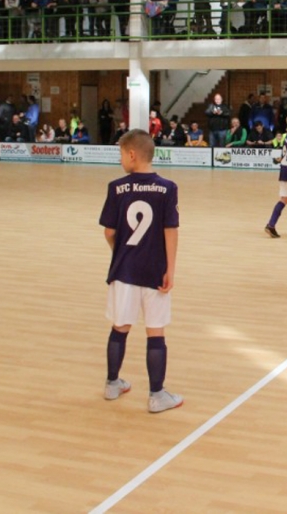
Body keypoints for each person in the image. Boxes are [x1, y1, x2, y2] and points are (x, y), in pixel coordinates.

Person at [99, 130, 182, 413]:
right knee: (155, 332)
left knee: (119, 327)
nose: (120, 159)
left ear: (132, 154)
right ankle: (157, 396)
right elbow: (171, 230)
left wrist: (120, 252)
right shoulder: (168, 188)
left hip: (124, 269)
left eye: (121, 154)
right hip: (155, 270)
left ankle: (112, 384)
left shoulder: (116, 187)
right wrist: (170, 269)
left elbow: (109, 231)